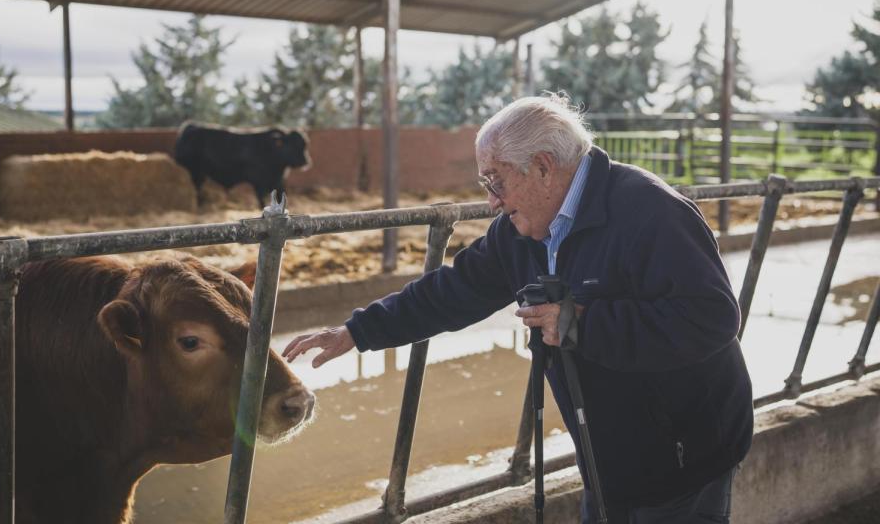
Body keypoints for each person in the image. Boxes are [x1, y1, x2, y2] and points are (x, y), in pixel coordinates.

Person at [282, 93, 753, 523]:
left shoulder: (650, 213)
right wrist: (356, 332)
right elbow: (454, 291)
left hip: (683, 448)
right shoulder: (521, 230)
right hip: (608, 448)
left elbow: (711, 317)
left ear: (544, 167)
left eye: (496, 181)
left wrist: (581, 323)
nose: (491, 201)